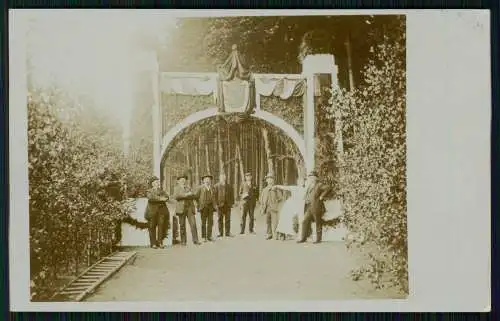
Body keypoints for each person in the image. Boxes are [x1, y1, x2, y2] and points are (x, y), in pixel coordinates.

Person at [297, 171, 333, 244]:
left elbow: (329, 188)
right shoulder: (310, 185)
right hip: (309, 206)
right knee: (304, 221)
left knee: (318, 222)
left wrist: (321, 196)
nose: (311, 178)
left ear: (316, 178)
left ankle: (318, 239)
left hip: (316, 206)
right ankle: (303, 238)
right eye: (310, 177)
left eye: (312, 177)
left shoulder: (319, 184)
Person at [272, 176, 307, 240]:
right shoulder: (294, 187)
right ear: (297, 182)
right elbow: (285, 188)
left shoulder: (305, 189)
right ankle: (283, 233)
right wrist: (276, 186)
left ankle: (291, 233)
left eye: (302, 181)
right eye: (299, 181)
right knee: (284, 216)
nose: (301, 183)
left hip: (299, 205)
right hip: (290, 204)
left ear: (304, 182)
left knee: (298, 219)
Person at [173, 174, 201, 246]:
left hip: (189, 208)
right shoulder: (176, 188)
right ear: (178, 181)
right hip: (181, 209)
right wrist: (186, 195)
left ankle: (196, 240)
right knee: (182, 225)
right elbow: (176, 196)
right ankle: (183, 241)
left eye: (184, 180)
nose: (183, 181)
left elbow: (193, 195)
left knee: (193, 224)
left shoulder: (188, 187)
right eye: (181, 180)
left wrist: (191, 194)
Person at [144, 176, 170, 249]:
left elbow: (167, 197)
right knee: (152, 227)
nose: (157, 183)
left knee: (161, 226)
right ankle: (153, 244)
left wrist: (162, 198)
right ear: (152, 184)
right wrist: (161, 199)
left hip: (161, 211)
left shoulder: (161, 190)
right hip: (152, 211)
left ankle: (160, 243)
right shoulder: (149, 191)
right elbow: (151, 198)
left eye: (158, 182)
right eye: (155, 182)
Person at [259, 173, 285, 240]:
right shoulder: (264, 190)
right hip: (267, 208)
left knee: (275, 222)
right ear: (266, 180)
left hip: (274, 208)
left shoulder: (276, 189)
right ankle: (269, 234)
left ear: (273, 180)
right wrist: (262, 207)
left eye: (271, 179)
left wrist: (279, 207)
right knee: (268, 221)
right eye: (268, 179)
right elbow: (261, 199)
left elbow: (280, 198)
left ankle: (277, 235)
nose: (270, 180)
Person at [196, 174, 216, 242]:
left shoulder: (212, 188)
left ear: (210, 181)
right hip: (203, 207)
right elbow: (196, 197)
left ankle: (209, 236)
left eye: (209, 179)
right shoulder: (200, 188)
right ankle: (204, 237)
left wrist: (214, 206)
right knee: (203, 222)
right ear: (203, 181)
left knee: (210, 222)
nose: (207, 181)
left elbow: (214, 197)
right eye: (206, 179)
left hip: (211, 207)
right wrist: (198, 205)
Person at [214, 172, 234, 237]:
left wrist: (231, 203)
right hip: (220, 205)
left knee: (228, 219)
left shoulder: (229, 186)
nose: (223, 178)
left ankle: (227, 232)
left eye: (224, 177)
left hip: (227, 205)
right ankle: (220, 233)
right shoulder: (216, 186)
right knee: (220, 219)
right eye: (221, 177)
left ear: (225, 178)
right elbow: (214, 196)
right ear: (219, 178)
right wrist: (216, 205)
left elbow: (232, 195)